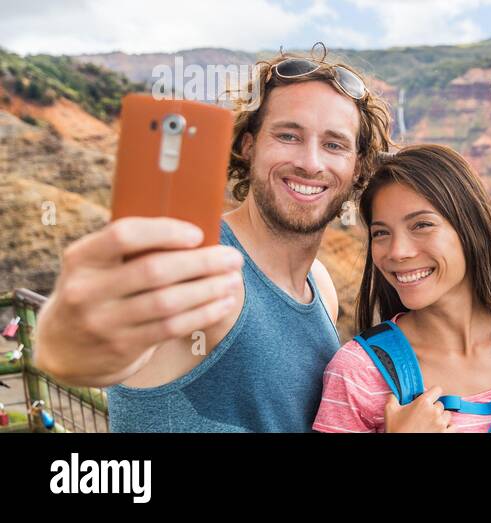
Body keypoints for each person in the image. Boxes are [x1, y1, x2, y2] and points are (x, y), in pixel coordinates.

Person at [34, 46, 394, 432]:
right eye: (288, 135)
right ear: (248, 145)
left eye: (334, 144)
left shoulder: (321, 286)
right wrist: (67, 337)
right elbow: (80, 353)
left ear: (358, 168)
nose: (310, 162)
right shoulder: (201, 263)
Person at [312, 144, 491, 433]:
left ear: (472, 228)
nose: (397, 252)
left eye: (421, 225)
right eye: (381, 233)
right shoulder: (357, 373)